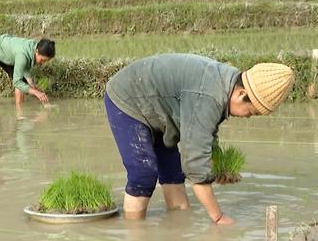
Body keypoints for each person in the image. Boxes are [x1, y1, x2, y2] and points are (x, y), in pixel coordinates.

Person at [104, 53, 294, 225]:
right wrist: (218, 217)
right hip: (128, 98)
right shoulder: (209, 94)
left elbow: (205, 134)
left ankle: (178, 225)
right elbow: (195, 162)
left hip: (160, 108)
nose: (247, 117)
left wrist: (218, 168)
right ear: (241, 93)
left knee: (173, 171)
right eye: (251, 112)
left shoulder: (226, 84)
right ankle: (135, 237)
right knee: (143, 174)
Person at [0, 34, 55, 120]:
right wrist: (35, 92)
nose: (42, 63)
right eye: (42, 60)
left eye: (45, 61)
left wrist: (32, 85)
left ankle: (20, 115)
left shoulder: (34, 47)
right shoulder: (22, 55)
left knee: (23, 81)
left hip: (4, 52)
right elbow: (17, 81)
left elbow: (25, 66)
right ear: (37, 51)